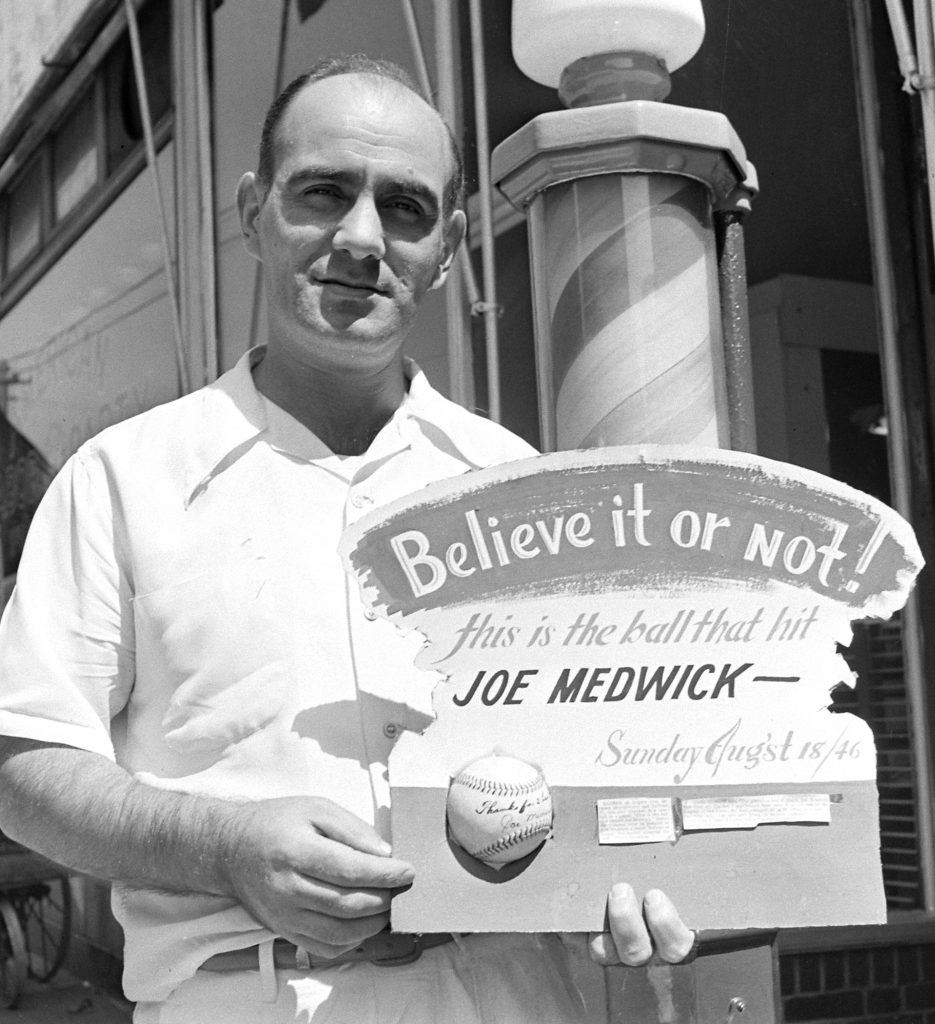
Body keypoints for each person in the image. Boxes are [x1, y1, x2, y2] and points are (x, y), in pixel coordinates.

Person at [0, 55, 695, 1022]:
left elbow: (598, 756)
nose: (362, 238)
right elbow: (23, 766)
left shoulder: (522, 490)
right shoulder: (125, 479)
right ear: (254, 211)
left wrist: (626, 873)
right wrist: (224, 848)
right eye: (323, 192)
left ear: (449, 247)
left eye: (404, 208)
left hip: (509, 995)